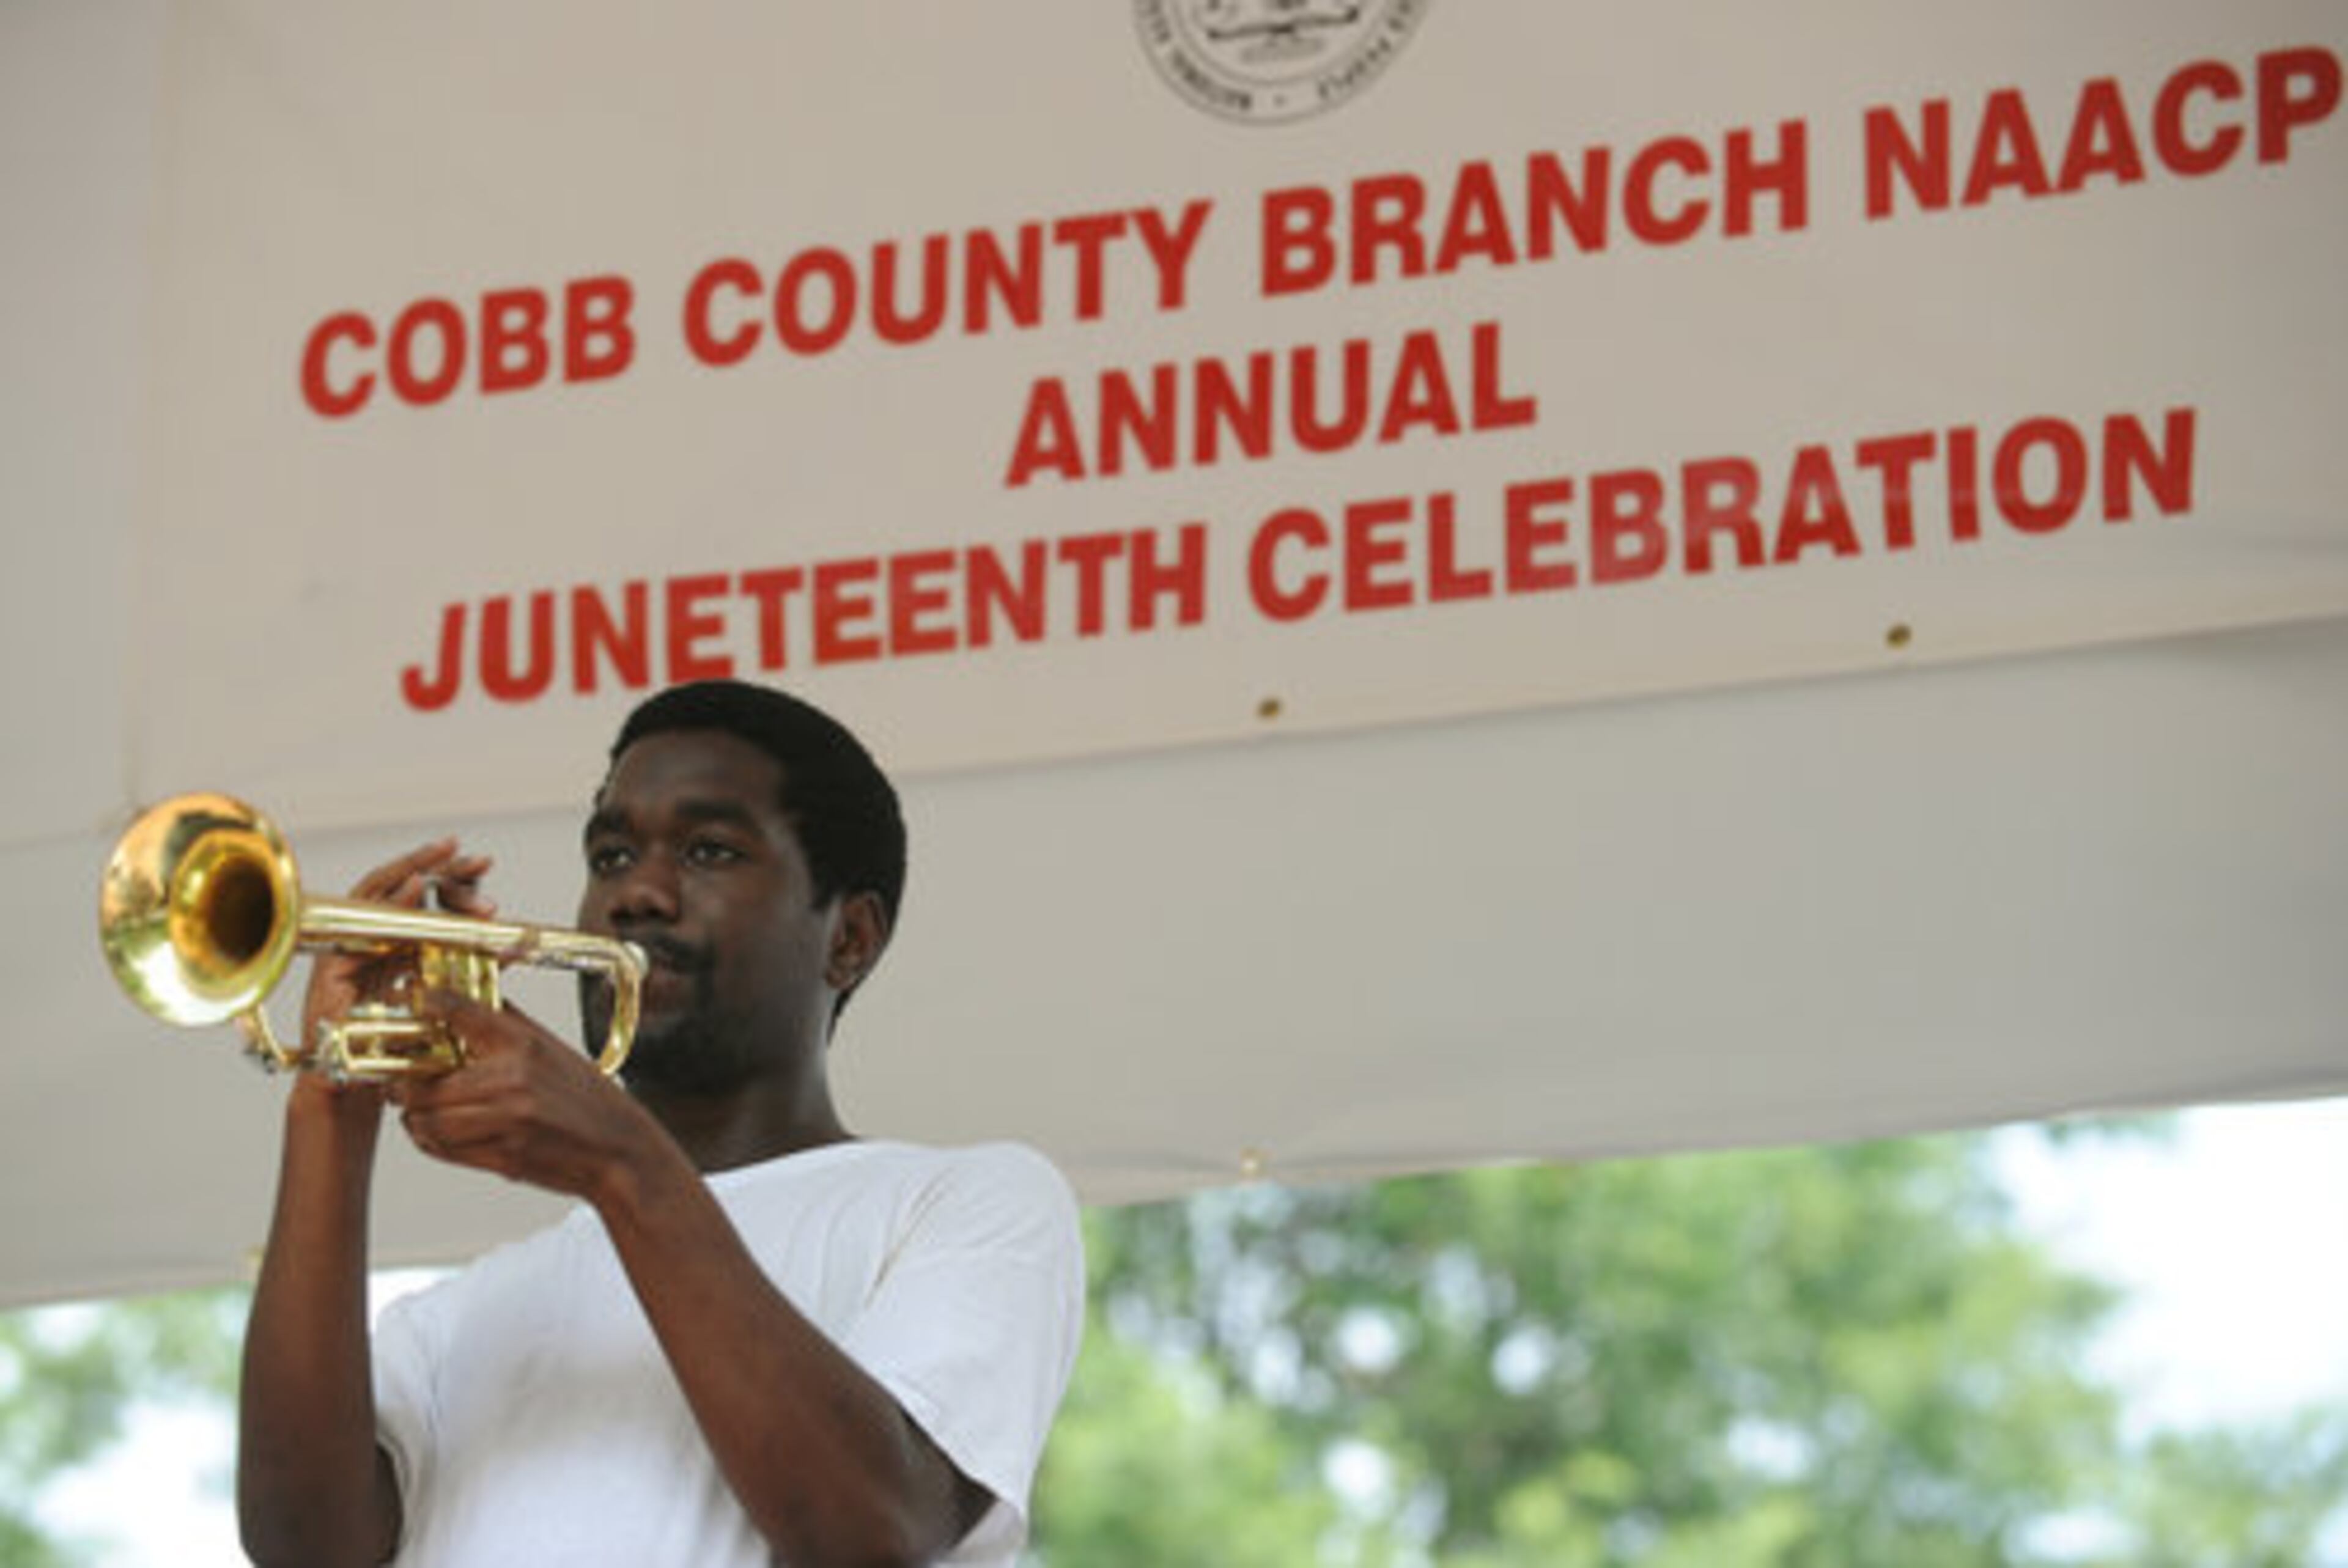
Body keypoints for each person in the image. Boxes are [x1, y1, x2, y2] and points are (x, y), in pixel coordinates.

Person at [235, 680, 1085, 1567]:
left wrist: (623, 1163)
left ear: (850, 939)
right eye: (609, 856)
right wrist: (330, 1098)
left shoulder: (966, 1200)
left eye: (710, 850)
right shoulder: (457, 1318)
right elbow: (301, 1546)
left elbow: (873, 1531)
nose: (636, 893)